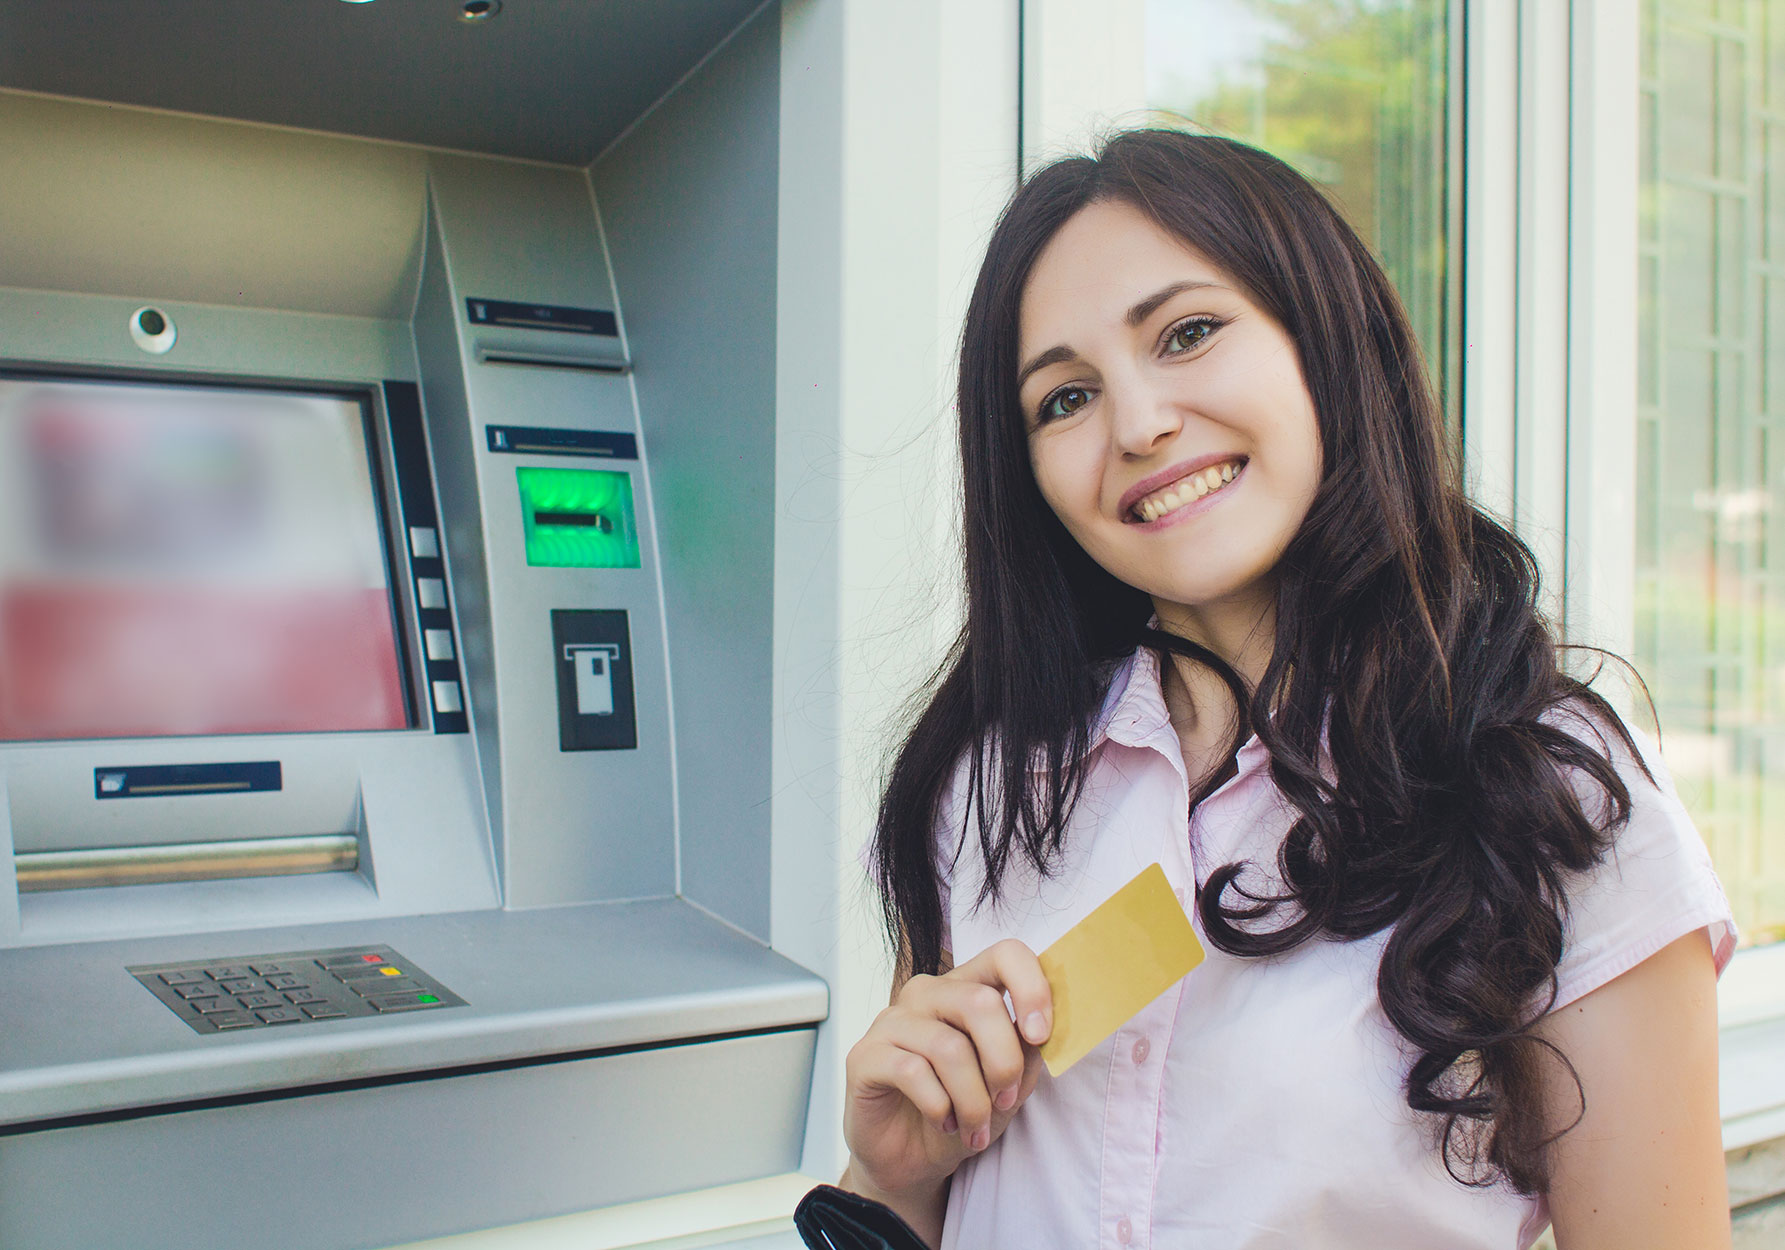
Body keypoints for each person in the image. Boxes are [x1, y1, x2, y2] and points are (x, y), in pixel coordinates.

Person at [839, 130, 1738, 1250]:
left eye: (1189, 333)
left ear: (1323, 337)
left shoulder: (1552, 798)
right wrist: (891, 1182)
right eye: (1064, 398)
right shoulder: (984, 779)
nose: (1138, 424)